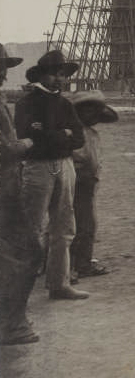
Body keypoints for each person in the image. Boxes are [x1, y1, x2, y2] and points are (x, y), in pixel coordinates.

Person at [14, 50, 89, 300]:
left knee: (64, 227)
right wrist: (62, 135)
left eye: (62, 75)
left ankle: (59, 284)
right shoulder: (27, 103)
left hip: (64, 166)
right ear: (42, 76)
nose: (60, 79)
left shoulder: (65, 104)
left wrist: (50, 134)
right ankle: (18, 290)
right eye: (55, 74)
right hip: (37, 168)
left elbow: (79, 138)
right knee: (32, 227)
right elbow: (29, 138)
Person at [0, 43, 41, 344]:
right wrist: (27, 144)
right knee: (26, 254)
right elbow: (4, 150)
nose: (4, 75)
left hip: (8, 188)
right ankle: (12, 326)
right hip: (4, 194)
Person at [70, 91, 118, 281]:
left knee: (85, 224)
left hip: (88, 183)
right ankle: (76, 265)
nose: (94, 118)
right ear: (80, 112)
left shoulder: (92, 134)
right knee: (78, 226)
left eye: (97, 114)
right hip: (77, 182)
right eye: (90, 112)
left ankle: (79, 263)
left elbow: (94, 159)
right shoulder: (74, 133)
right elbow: (74, 157)